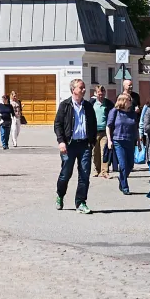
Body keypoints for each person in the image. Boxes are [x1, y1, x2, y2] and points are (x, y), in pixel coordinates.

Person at [52, 77, 98, 213]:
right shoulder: (65, 105)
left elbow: (93, 125)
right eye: (81, 87)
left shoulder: (88, 106)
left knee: (84, 174)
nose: (84, 90)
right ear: (73, 90)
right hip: (69, 145)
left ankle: (81, 202)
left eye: (84, 87)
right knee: (65, 174)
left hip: (84, 145)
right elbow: (57, 124)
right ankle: (60, 195)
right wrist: (61, 141)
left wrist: (92, 142)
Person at [105, 92, 139, 195]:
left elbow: (135, 127)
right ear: (124, 101)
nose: (131, 102)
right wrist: (109, 140)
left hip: (130, 141)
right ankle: (125, 187)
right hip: (118, 141)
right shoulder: (115, 111)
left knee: (130, 164)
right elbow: (108, 126)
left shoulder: (132, 113)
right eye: (129, 100)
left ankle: (121, 178)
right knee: (123, 164)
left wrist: (138, 139)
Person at [90, 85, 111, 178]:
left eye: (102, 94)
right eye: (99, 94)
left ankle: (105, 171)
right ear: (95, 94)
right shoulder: (91, 103)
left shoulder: (109, 104)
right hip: (94, 132)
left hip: (105, 131)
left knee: (104, 152)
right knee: (95, 152)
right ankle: (96, 170)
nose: (101, 96)